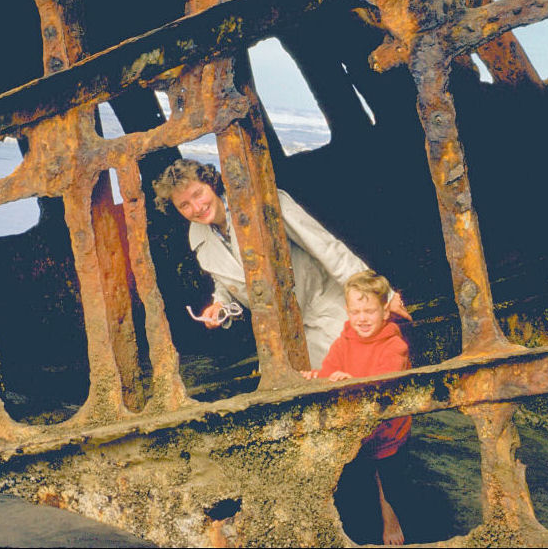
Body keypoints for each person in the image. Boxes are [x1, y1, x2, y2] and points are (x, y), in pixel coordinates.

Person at [152, 158, 410, 366]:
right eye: (184, 205)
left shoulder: (263, 203)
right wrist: (220, 304)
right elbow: (228, 280)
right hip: (288, 333)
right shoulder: (197, 236)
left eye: (198, 194)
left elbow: (327, 249)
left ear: (212, 184)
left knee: (363, 377)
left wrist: (381, 295)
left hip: (329, 306)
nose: (196, 207)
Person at [302, 269, 410, 545]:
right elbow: (328, 374)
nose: (362, 318)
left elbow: (387, 383)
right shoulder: (343, 342)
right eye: (355, 311)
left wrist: (354, 383)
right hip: (354, 432)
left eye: (370, 311)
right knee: (354, 486)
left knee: (391, 485)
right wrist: (317, 378)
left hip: (387, 429)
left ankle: (392, 520)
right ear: (347, 311)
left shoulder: (394, 345)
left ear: (385, 312)